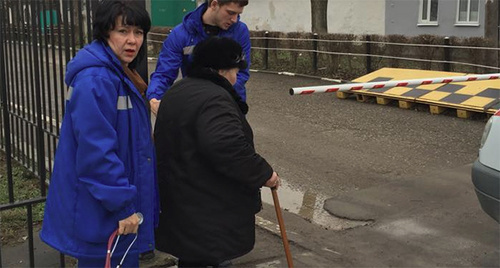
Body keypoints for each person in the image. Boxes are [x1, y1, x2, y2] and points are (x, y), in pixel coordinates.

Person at [40, 1, 158, 267]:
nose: (132, 40)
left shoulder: (117, 72)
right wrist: (124, 207)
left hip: (108, 207)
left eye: (138, 33)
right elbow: (97, 152)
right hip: (105, 211)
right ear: (105, 33)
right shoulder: (97, 79)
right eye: (123, 31)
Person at [154, 36, 280, 267]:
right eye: (235, 70)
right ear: (222, 70)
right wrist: (265, 174)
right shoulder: (214, 99)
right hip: (208, 210)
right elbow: (227, 147)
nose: (236, 77)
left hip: (182, 205)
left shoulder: (178, 91)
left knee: (193, 260)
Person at [147, 0, 251, 116]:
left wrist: (216, 97)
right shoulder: (181, 34)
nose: (235, 19)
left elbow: (241, 73)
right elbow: (164, 73)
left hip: (229, 106)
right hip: (195, 106)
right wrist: (154, 98)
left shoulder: (240, 32)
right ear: (214, 4)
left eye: (238, 14)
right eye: (231, 13)